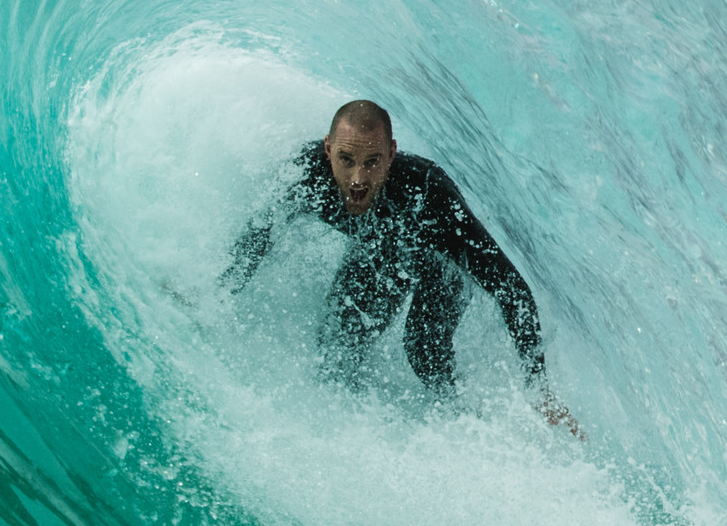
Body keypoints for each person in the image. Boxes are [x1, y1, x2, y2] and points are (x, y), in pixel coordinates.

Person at [222, 100, 583, 438]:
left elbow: (511, 287)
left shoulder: (429, 196)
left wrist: (539, 389)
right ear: (328, 149)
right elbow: (262, 230)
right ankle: (348, 434)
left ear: (392, 154)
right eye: (346, 160)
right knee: (336, 345)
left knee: (424, 349)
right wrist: (218, 294)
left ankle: (464, 427)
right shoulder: (308, 174)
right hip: (383, 251)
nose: (358, 179)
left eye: (373, 161)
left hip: (440, 265)